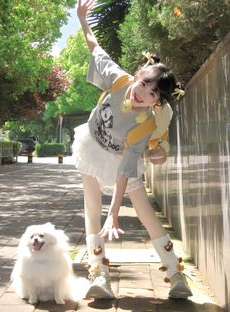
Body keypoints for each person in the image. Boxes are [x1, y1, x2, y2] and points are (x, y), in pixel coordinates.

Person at [72, 0, 193, 300]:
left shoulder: (145, 125)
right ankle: (98, 272)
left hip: (121, 157)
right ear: (137, 75)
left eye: (153, 94)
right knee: (91, 206)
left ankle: (176, 274)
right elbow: (94, 47)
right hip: (91, 145)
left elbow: (125, 170)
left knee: (144, 211)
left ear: (158, 102)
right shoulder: (118, 78)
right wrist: (82, 19)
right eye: (144, 85)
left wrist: (115, 211)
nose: (144, 94)